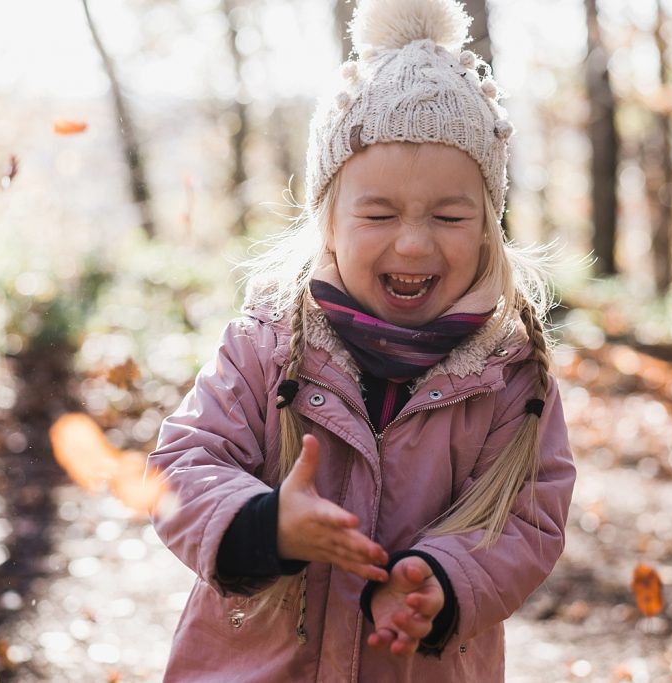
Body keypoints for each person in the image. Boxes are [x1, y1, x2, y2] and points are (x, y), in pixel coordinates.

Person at [146, 0, 576, 679]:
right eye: (378, 212)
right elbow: (180, 464)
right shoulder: (267, 346)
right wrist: (264, 524)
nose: (412, 240)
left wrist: (442, 579)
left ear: (489, 223)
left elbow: (529, 517)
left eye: (449, 214)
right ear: (329, 222)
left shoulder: (510, 379)